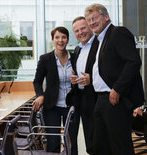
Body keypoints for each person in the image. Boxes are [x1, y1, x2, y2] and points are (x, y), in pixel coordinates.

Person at [85, 3, 144, 155]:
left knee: (119, 146)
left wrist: (118, 88)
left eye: (94, 18)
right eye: (88, 20)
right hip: (102, 99)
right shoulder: (101, 40)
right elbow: (108, 68)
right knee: (100, 146)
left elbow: (133, 62)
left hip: (114, 99)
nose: (91, 23)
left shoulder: (118, 33)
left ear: (106, 17)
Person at [32, 26, 74, 153]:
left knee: (72, 141)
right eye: (57, 37)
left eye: (63, 37)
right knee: (53, 141)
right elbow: (37, 81)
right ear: (52, 40)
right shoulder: (45, 59)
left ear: (67, 40)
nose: (60, 40)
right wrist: (40, 95)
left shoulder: (75, 57)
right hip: (52, 105)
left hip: (71, 105)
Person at [68, 16, 99, 155]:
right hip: (82, 98)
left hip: (97, 98)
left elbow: (110, 69)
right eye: (76, 30)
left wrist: (91, 79)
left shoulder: (100, 44)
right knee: (89, 137)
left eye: (83, 28)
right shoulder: (77, 49)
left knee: (98, 137)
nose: (80, 32)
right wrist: (74, 79)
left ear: (90, 27)